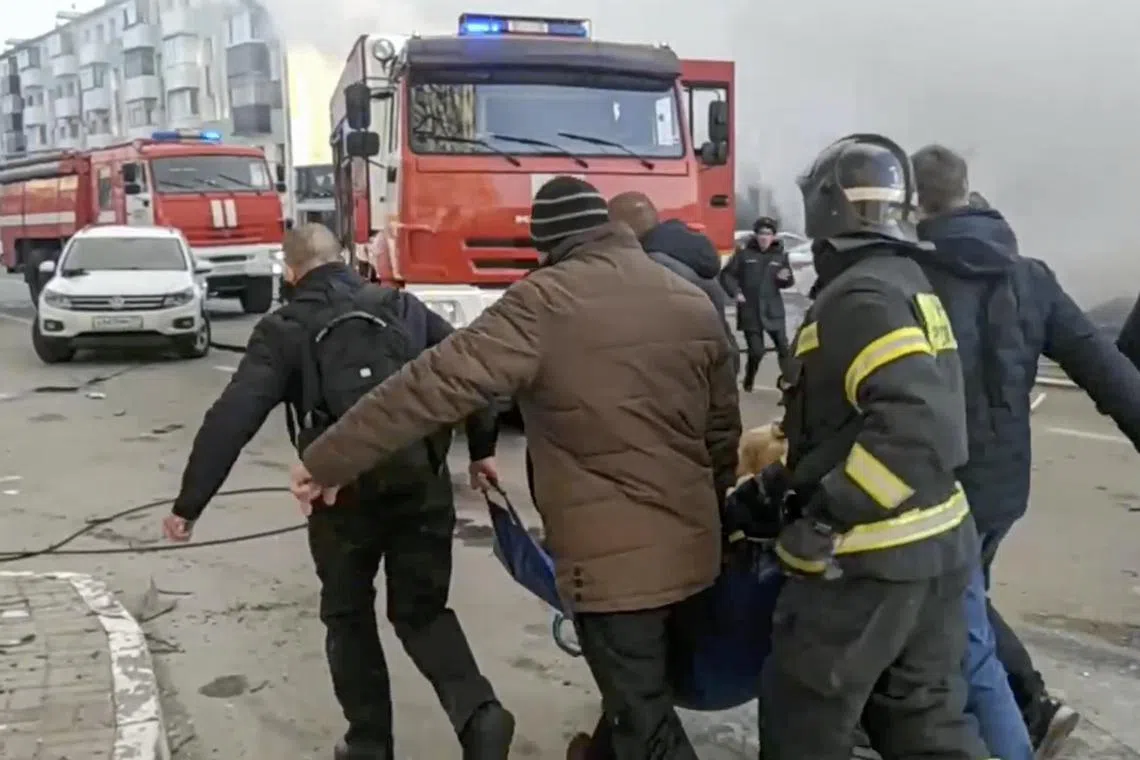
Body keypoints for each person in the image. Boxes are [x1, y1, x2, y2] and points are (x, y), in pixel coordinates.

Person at [290, 176, 742, 760]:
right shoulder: (687, 297)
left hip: (614, 570)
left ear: (548, 244)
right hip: (694, 549)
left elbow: (433, 385)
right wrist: (713, 515)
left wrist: (328, 458)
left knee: (645, 721)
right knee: (642, 689)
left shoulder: (543, 301)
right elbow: (722, 433)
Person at [161, 223, 514, 760]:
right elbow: (471, 376)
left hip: (338, 497)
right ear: (345, 259)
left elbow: (232, 417)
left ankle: (369, 744)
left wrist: (190, 505)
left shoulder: (283, 328)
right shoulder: (403, 308)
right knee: (422, 612)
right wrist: (483, 450)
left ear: (290, 270)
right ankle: (480, 715)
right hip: (420, 483)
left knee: (347, 614)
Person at [757, 134, 988, 760]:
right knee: (925, 721)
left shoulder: (859, 296)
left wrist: (829, 514)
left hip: (869, 559)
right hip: (935, 543)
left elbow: (917, 427)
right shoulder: (903, 278)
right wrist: (780, 486)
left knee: (804, 720)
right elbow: (851, 420)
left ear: (826, 207)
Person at [913, 143, 1140, 758]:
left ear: (915, 203)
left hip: (934, 483)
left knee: (952, 607)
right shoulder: (1030, 276)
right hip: (1005, 484)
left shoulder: (906, 273)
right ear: (967, 194)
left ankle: (1028, 709)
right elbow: (1105, 368)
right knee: (959, 599)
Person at [606, 190, 737, 363]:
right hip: (717, 359)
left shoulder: (652, 265)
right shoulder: (686, 254)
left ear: (626, 227)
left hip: (683, 368)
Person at [720, 216, 794, 390]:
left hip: (773, 310)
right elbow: (727, 275)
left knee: (784, 348)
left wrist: (785, 279)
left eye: (768, 234)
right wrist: (736, 292)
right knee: (756, 351)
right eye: (761, 233)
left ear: (773, 237)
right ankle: (749, 377)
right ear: (756, 235)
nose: (764, 237)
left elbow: (788, 281)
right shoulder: (744, 254)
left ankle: (789, 383)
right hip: (750, 311)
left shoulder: (781, 256)